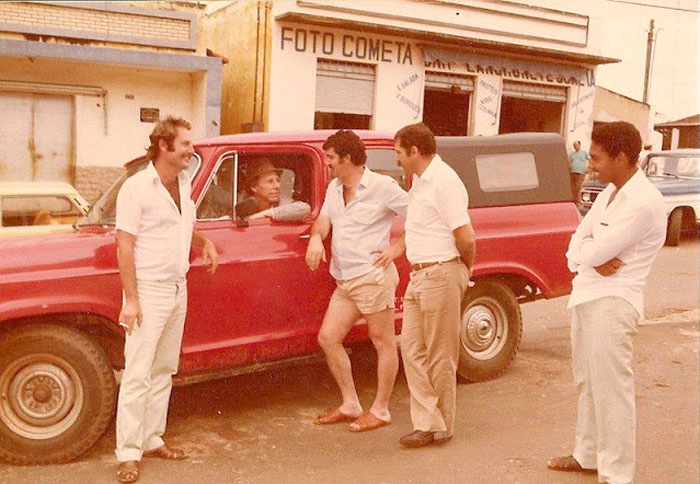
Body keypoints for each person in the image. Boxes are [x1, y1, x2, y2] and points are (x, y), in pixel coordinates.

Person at [548, 122, 666, 484]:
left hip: (614, 303)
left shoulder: (643, 202)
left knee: (612, 390)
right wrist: (588, 256)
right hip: (588, 295)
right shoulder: (608, 194)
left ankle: (616, 474)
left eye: (597, 158)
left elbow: (593, 247)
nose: (591, 165)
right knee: (587, 382)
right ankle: (587, 454)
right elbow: (578, 242)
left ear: (622, 157)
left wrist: (588, 252)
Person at [114, 116, 219, 484]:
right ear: (164, 146)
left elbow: (182, 225)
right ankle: (128, 453)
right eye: (186, 144)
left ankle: (151, 439)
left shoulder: (185, 181)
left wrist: (204, 243)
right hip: (149, 289)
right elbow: (124, 244)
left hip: (178, 286)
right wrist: (131, 299)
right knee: (138, 373)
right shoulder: (137, 187)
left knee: (163, 370)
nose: (193, 149)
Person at [305, 129, 408, 432]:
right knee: (328, 338)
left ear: (348, 159)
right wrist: (315, 239)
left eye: (331, 158)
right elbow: (324, 220)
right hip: (345, 279)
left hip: (373, 278)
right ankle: (351, 403)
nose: (327, 163)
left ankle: (381, 410)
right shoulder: (335, 188)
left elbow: (421, 215)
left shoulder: (382, 186)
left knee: (383, 342)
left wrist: (396, 249)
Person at [393, 122, 475, 448]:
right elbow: (418, 229)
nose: (396, 159)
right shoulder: (419, 182)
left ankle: (440, 426)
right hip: (419, 274)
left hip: (441, 272)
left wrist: (462, 272)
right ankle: (428, 420)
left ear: (414, 151)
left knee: (441, 354)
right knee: (411, 348)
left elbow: (466, 237)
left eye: (399, 152)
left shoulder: (444, 182)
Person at [244, 160, 310, 221]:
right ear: (254, 187)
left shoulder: (283, 202)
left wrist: (267, 213)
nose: (277, 186)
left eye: (278, 181)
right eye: (270, 181)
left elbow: (304, 209)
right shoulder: (243, 204)